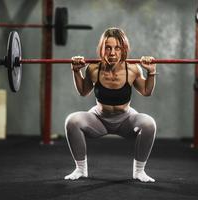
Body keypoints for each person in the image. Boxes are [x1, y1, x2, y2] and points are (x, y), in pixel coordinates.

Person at [64, 27, 157, 183]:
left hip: (126, 120)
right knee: (72, 121)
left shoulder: (133, 69)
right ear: (102, 49)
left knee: (149, 124)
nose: (112, 53)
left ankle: (139, 172)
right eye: (108, 48)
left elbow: (147, 91)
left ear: (123, 49)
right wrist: (76, 71)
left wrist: (152, 72)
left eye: (117, 48)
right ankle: (80, 169)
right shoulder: (93, 68)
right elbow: (83, 91)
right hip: (99, 119)